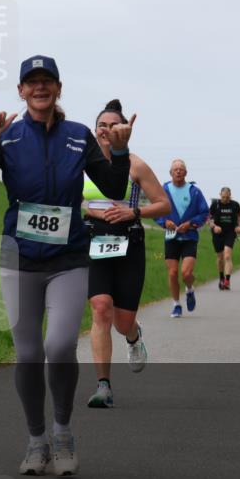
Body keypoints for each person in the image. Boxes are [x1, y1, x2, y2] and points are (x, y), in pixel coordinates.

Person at [0, 55, 133, 477]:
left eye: (47, 81)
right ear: (21, 91)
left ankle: (62, 431)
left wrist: (121, 149)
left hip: (67, 258)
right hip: (19, 258)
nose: (39, 87)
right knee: (27, 354)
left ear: (59, 89)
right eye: (32, 82)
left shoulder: (78, 136)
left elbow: (114, 186)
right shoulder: (7, 136)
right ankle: (36, 438)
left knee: (58, 347)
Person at [83, 100, 169, 409]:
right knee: (100, 308)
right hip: (94, 240)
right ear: (95, 130)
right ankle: (103, 386)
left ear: (125, 130)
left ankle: (133, 336)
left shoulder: (136, 165)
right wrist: (88, 208)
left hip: (129, 242)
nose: (107, 130)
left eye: (113, 125)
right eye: (101, 125)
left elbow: (163, 204)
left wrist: (134, 212)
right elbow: (68, 199)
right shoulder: (82, 162)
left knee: (122, 322)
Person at [155, 160, 210, 318]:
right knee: (172, 273)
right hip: (171, 237)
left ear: (186, 173)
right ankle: (176, 304)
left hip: (189, 237)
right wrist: (164, 222)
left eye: (181, 169)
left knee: (186, 273)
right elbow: (155, 209)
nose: (178, 171)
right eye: (175, 169)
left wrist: (191, 224)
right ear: (170, 173)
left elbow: (204, 212)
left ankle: (190, 289)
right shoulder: (163, 190)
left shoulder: (194, 191)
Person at [208, 187, 240, 290]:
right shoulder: (215, 204)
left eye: (227, 197)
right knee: (220, 258)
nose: (225, 199)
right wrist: (214, 226)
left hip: (230, 232)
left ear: (230, 195)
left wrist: (239, 226)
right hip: (217, 233)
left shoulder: (235, 205)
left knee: (227, 256)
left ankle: (227, 281)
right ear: (220, 195)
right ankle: (221, 278)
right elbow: (209, 219)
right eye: (223, 197)